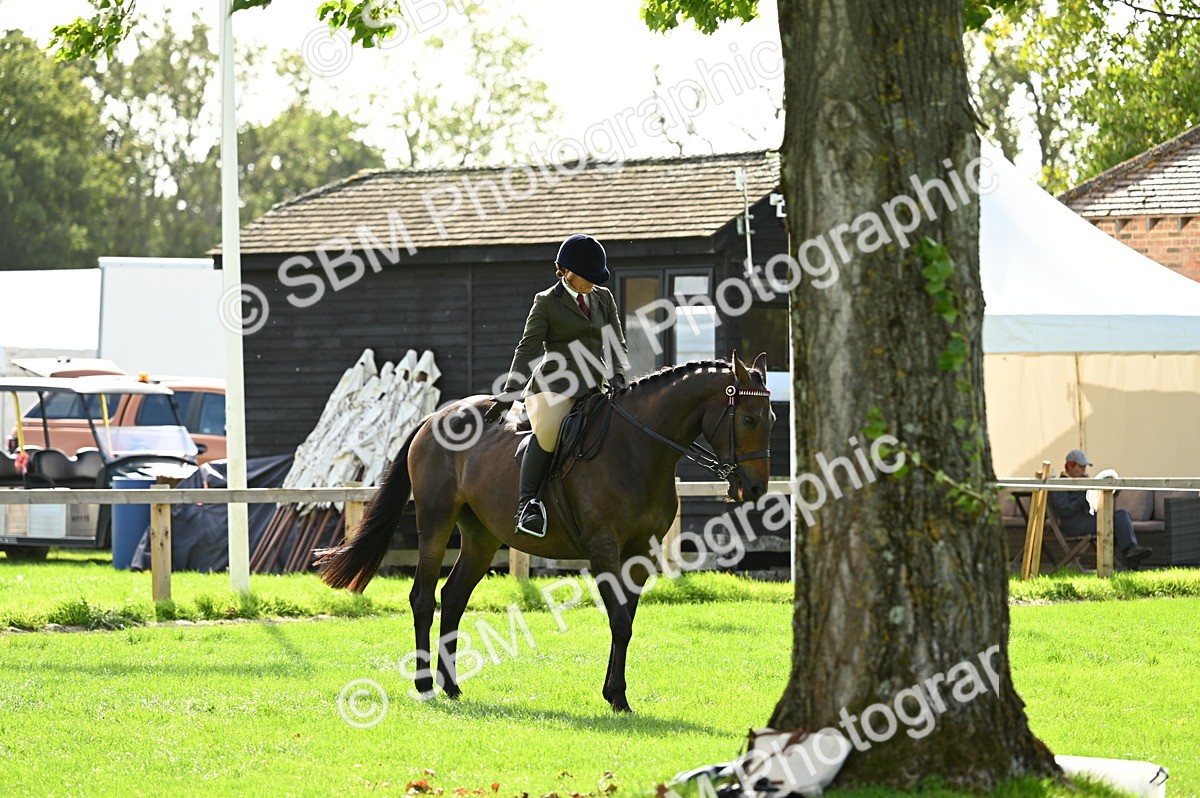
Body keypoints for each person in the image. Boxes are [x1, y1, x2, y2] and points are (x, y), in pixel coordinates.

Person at [483, 234, 630, 537]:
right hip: (553, 386)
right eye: (586, 276)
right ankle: (528, 505)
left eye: (594, 276)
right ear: (565, 271)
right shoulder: (547, 302)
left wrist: (618, 376)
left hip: (595, 386)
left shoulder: (603, 297)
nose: (591, 281)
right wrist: (510, 392)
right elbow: (526, 349)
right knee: (548, 433)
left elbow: (616, 342)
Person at [1048, 449, 1152, 567]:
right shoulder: (1058, 484)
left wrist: (1108, 492)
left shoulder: (1081, 482)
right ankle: (1131, 554)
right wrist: (1085, 494)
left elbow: (1094, 503)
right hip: (1075, 525)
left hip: (1089, 519)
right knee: (1118, 519)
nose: (1084, 471)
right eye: (1081, 467)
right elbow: (1065, 509)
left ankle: (1132, 553)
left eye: (1084, 467)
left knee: (1122, 515)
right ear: (1070, 466)